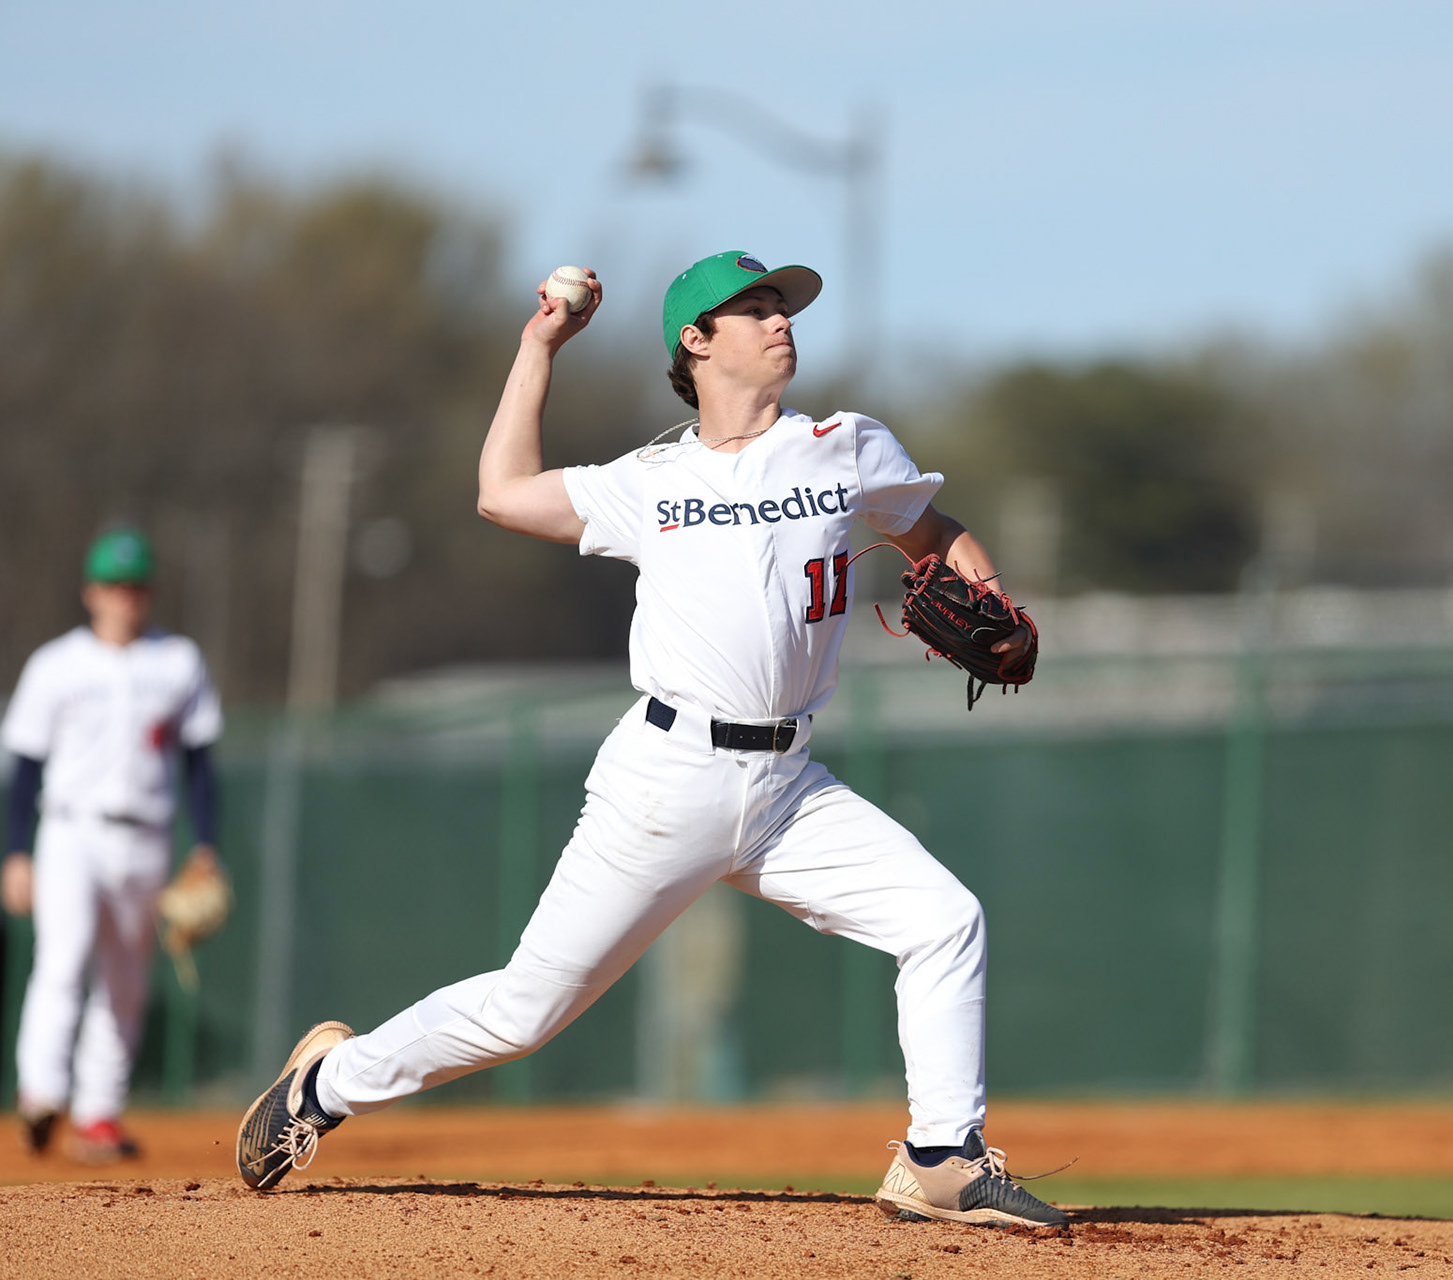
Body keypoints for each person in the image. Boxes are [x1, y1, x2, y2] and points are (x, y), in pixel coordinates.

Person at [236, 251, 1063, 1228]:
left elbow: (932, 526)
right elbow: (502, 490)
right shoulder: (651, 479)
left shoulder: (846, 445)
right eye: (752, 309)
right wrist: (537, 345)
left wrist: (994, 594)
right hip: (669, 779)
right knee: (523, 1012)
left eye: (781, 306)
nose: (778, 321)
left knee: (943, 917)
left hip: (791, 785)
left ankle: (942, 1158)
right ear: (696, 340)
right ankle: (325, 1083)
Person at [3, 527, 224, 1162]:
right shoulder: (56, 663)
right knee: (63, 959)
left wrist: (206, 844)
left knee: (126, 983)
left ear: (147, 593)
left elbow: (201, 762)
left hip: (147, 836)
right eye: (114, 587)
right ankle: (42, 1093)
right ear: (90, 592)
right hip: (70, 831)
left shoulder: (178, 660)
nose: (125, 598)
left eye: (135, 587)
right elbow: (24, 765)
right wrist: (16, 852)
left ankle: (98, 1116)